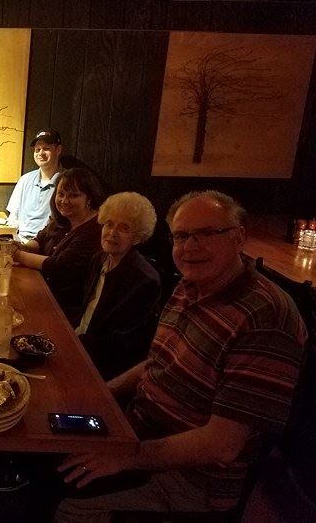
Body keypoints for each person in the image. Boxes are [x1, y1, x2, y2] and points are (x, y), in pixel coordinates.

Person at [55, 190, 306, 522]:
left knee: (68, 499)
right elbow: (159, 362)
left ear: (239, 237)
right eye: (182, 236)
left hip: (191, 477)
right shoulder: (189, 286)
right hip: (138, 430)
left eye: (207, 234)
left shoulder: (266, 316)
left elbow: (221, 444)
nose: (190, 247)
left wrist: (128, 456)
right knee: (52, 431)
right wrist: (104, 393)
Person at [74, 192, 161, 381]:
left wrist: (71, 344)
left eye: (124, 228)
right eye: (109, 224)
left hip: (103, 366)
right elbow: (86, 311)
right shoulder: (99, 259)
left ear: (137, 237)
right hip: (80, 342)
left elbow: (120, 343)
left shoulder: (144, 279)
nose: (112, 233)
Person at [13, 167, 104, 320]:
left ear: (89, 198)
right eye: (61, 194)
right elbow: (40, 239)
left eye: (74, 195)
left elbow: (59, 266)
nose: (64, 201)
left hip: (65, 309)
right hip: (44, 292)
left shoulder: (94, 229)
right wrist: (22, 246)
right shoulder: (64, 219)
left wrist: (18, 255)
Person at [7, 129, 63, 242]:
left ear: (58, 150)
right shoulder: (25, 180)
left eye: (46, 148)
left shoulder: (65, 182)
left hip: (48, 243)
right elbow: (13, 217)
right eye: (37, 149)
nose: (41, 153)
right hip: (20, 240)